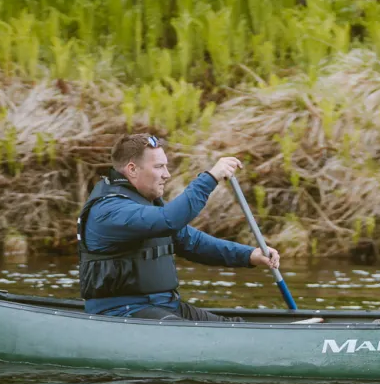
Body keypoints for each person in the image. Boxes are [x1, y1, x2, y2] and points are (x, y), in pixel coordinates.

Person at [78, 133, 281, 321]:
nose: (167, 174)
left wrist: (250, 255)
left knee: (234, 326)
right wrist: (210, 179)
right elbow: (169, 220)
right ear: (132, 169)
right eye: (158, 167)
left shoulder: (147, 204)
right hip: (121, 311)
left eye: (166, 166)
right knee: (188, 333)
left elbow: (194, 243)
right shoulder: (110, 210)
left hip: (164, 305)